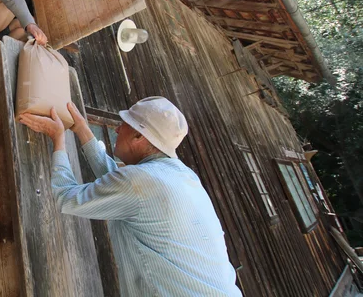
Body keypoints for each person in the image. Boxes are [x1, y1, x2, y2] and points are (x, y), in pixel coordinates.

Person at [18, 97, 242, 297]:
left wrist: (58, 140)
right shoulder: (182, 177)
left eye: (124, 124)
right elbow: (122, 184)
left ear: (139, 136)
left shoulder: (142, 182)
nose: (117, 130)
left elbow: (66, 198)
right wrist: (83, 130)